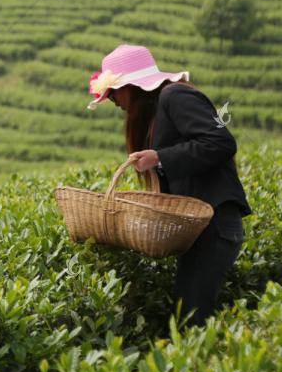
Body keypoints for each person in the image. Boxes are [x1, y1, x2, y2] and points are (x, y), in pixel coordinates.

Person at [86, 44, 251, 329]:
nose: (111, 99)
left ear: (135, 85)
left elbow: (222, 142)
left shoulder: (175, 95)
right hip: (202, 228)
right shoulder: (155, 111)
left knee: (191, 320)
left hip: (216, 226)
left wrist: (160, 157)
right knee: (188, 316)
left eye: (114, 91)